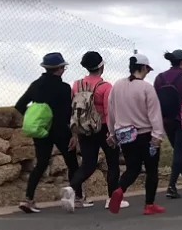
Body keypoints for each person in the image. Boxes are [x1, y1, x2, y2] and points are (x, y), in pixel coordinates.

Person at [14, 53, 80, 214]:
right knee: (72, 163)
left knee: (41, 163)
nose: (64, 69)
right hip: (60, 130)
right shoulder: (64, 88)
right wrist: (74, 134)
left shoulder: (36, 84)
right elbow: (68, 113)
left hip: (41, 130)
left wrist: (36, 116)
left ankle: (28, 199)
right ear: (58, 69)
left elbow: (20, 105)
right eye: (63, 66)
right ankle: (76, 197)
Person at [106, 55, 165, 215]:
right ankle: (149, 204)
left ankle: (119, 189)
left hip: (124, 135)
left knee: (132, 168)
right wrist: (157, 135)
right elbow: (154, 114)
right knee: (152, 169)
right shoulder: (147, 88)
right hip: (145, 134)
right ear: (144, 68)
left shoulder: (117, 86)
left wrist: (111, 132)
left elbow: (110, 111)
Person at [60, 51, 118, 212]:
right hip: (104, 127)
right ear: (101, 66)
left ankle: (71, 188)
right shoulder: (105, 86)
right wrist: (112, 133)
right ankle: (111, 199)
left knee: (88, 164)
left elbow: (74, 110)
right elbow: (109, 111)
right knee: (112, 163)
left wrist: (74, 133)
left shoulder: (76, 85)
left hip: (84, 128)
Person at [155, 50, 182, 199]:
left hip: (165, 121)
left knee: (179, 150)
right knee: (179, 151)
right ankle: (171, 186)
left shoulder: (159, 78)